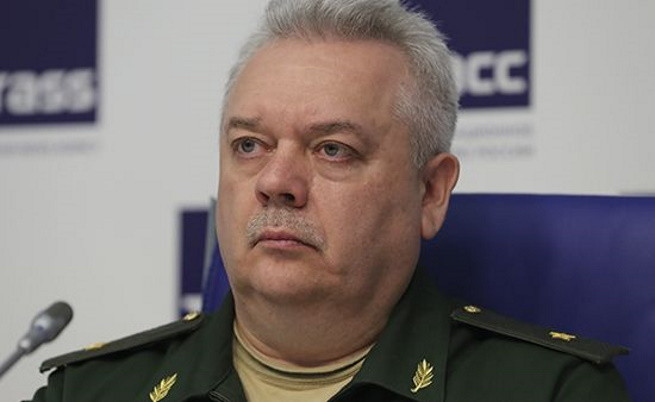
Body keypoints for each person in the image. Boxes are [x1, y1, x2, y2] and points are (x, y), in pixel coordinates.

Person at [27, 0, 630, 401]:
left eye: (333, 149)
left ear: (430, 192)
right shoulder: (86, 392)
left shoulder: (553, 392)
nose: (276, 181)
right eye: (249, 144)